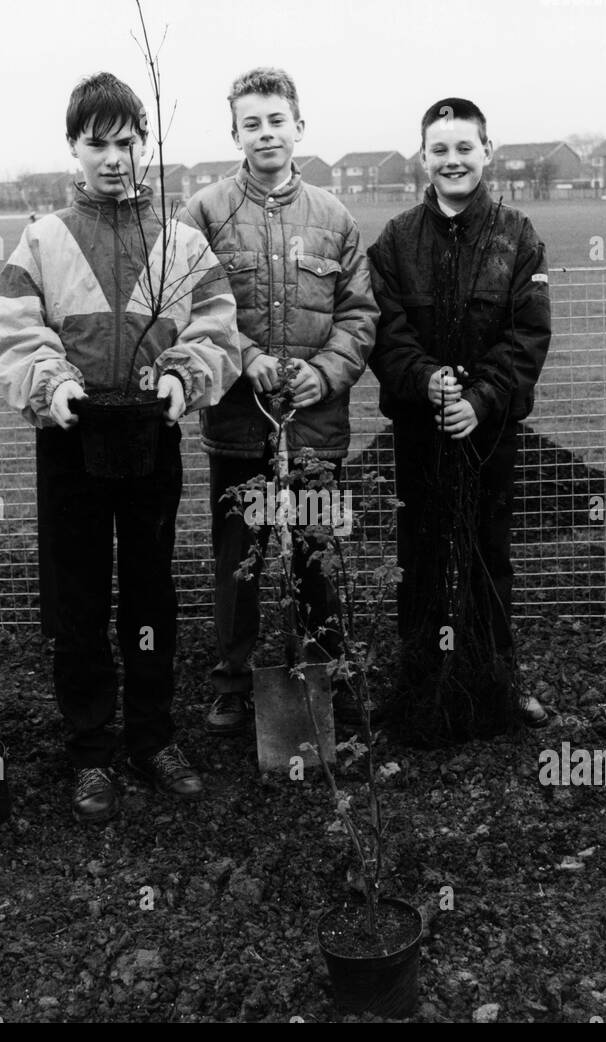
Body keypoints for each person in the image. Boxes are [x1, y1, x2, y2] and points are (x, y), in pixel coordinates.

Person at [0, 72, 241, 824]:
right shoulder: (43, 239)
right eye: (97, 142)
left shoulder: (182, 242)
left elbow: (216, 327)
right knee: (79, 598)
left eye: (127, 142)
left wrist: (184, 376)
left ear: (144, 146)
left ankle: (152, 736)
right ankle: (91, 749)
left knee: (152, 590)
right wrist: (50, 383)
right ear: (73, 148)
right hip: (71, 442)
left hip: (150, 438)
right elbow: (14, 333)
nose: (114, 158)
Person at [180, 67, 379, 736]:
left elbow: (359, 313)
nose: (265, 133)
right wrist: (249, 359)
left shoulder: (334, 216)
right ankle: (233, 683)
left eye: (276, 120)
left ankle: (325, 672)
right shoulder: (205, 212)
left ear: (300, 125)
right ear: (233, 131)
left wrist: (326, 373)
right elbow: (189, 306)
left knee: (316, 557)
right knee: (239, 562)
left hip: (317, 431)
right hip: (239, 430)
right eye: (251, 122)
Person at [367, 96, 552, 742]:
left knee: (487, 555)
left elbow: (527, 335)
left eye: (464, 148)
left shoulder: (518, 237)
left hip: (489, 433)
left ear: (486, 152)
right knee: (419, 555)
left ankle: (494, 683)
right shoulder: (394, 241)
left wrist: (480, 399)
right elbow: (385, 333)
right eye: (439, 150)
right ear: (423, 157)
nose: (452, 160)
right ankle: (419, 685)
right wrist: (427, 382)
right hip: (421, 432)